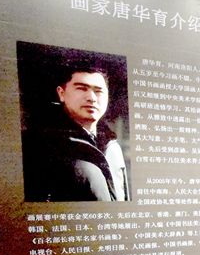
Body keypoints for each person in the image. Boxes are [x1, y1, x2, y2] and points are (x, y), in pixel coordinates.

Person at [23, 65, 129, 202]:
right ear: (61, 93)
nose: (92, 98)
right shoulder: (40, 145)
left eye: (98, 91)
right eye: (81, 88)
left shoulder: (113, 146)